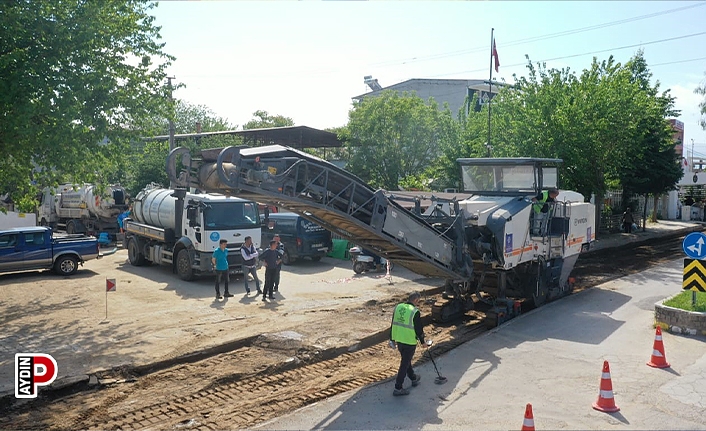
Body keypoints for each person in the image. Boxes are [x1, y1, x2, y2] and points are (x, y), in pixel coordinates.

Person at [389, 291, 428, 396]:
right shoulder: (414, 311)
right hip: (409, 342)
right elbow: (419, 329)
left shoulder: (398, 307)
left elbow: (393, 324)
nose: (418, 303)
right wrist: (423, 342)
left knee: (406, 361)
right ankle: (398, 387)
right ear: (415, 300)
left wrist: (392, 339)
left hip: (399, 340)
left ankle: (413, 378)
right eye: (418, 301)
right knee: (404, 364)